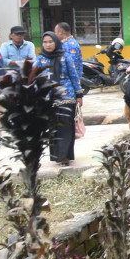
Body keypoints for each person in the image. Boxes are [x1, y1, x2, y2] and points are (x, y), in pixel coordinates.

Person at [33, 32, 81, 165]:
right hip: (49, 98)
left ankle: (65, 155)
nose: (48, 44)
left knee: (66, 126)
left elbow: (74, 76)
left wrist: (79, 95)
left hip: (67, 96)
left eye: (51, 41)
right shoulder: (40, 60)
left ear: (56, 42)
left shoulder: (66, 57)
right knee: (53, 127)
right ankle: (57, 155)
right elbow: (35, 80)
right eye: (45, 42)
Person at [54, 22, 84, 112]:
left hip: (70, 86)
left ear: (60, 32)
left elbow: (72, 69)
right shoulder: (65, 43)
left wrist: (77, 92)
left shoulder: (70, 45)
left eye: (55, 32)